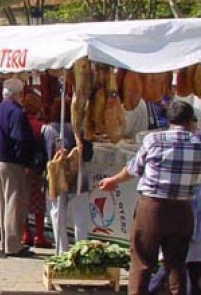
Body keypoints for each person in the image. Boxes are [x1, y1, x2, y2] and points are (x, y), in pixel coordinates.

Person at [99, 100, 201, 294]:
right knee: (176, 265)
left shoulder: (154, 140)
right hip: (182, 210)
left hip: (152, 208)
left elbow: (133, 169)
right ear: (190, 121)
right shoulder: (198, 143)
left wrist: (113, 180)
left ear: (170, 119)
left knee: (142, 263)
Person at [0, 77, 36, 257]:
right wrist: (26, 161)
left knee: (2, 204)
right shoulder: (16, 112)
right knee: (14, 203)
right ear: (19, 94)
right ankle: (13, 245)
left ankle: (5, 242)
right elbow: (20, 139)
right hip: (12, 161)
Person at [42, 98, 91, 255]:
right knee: (80, 214)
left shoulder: (48, 130)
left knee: (57, 214)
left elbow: (43, 154)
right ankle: (81, 249)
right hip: (78, 175)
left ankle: (61, 250)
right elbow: (89, 155)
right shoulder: (79, 130)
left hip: (56, 176)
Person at [22, 91, 52, 248]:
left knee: (23, 201)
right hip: (38, 167)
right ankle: (39, 235)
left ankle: (26, 233)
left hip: (22, 166)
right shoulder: (42, 126)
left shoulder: (21, 122)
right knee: (38, 202)